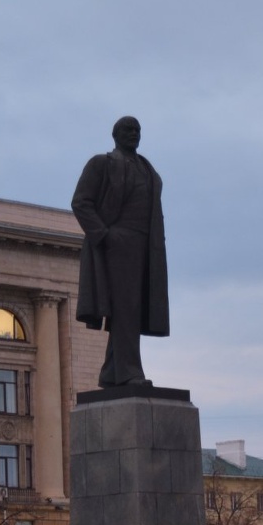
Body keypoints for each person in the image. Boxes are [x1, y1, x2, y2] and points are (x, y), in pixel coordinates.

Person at [72, 116, 169, 388]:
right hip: (117, 244)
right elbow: (81, 202)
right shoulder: (101, 164)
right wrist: (104, 235)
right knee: (125, 307)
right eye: (128, 129)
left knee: (133, 310)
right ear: (114, 135)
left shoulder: (148, 170)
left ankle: (111, 371)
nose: (134, 134)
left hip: (146, 248)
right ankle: (128, 372)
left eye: (138, 130)